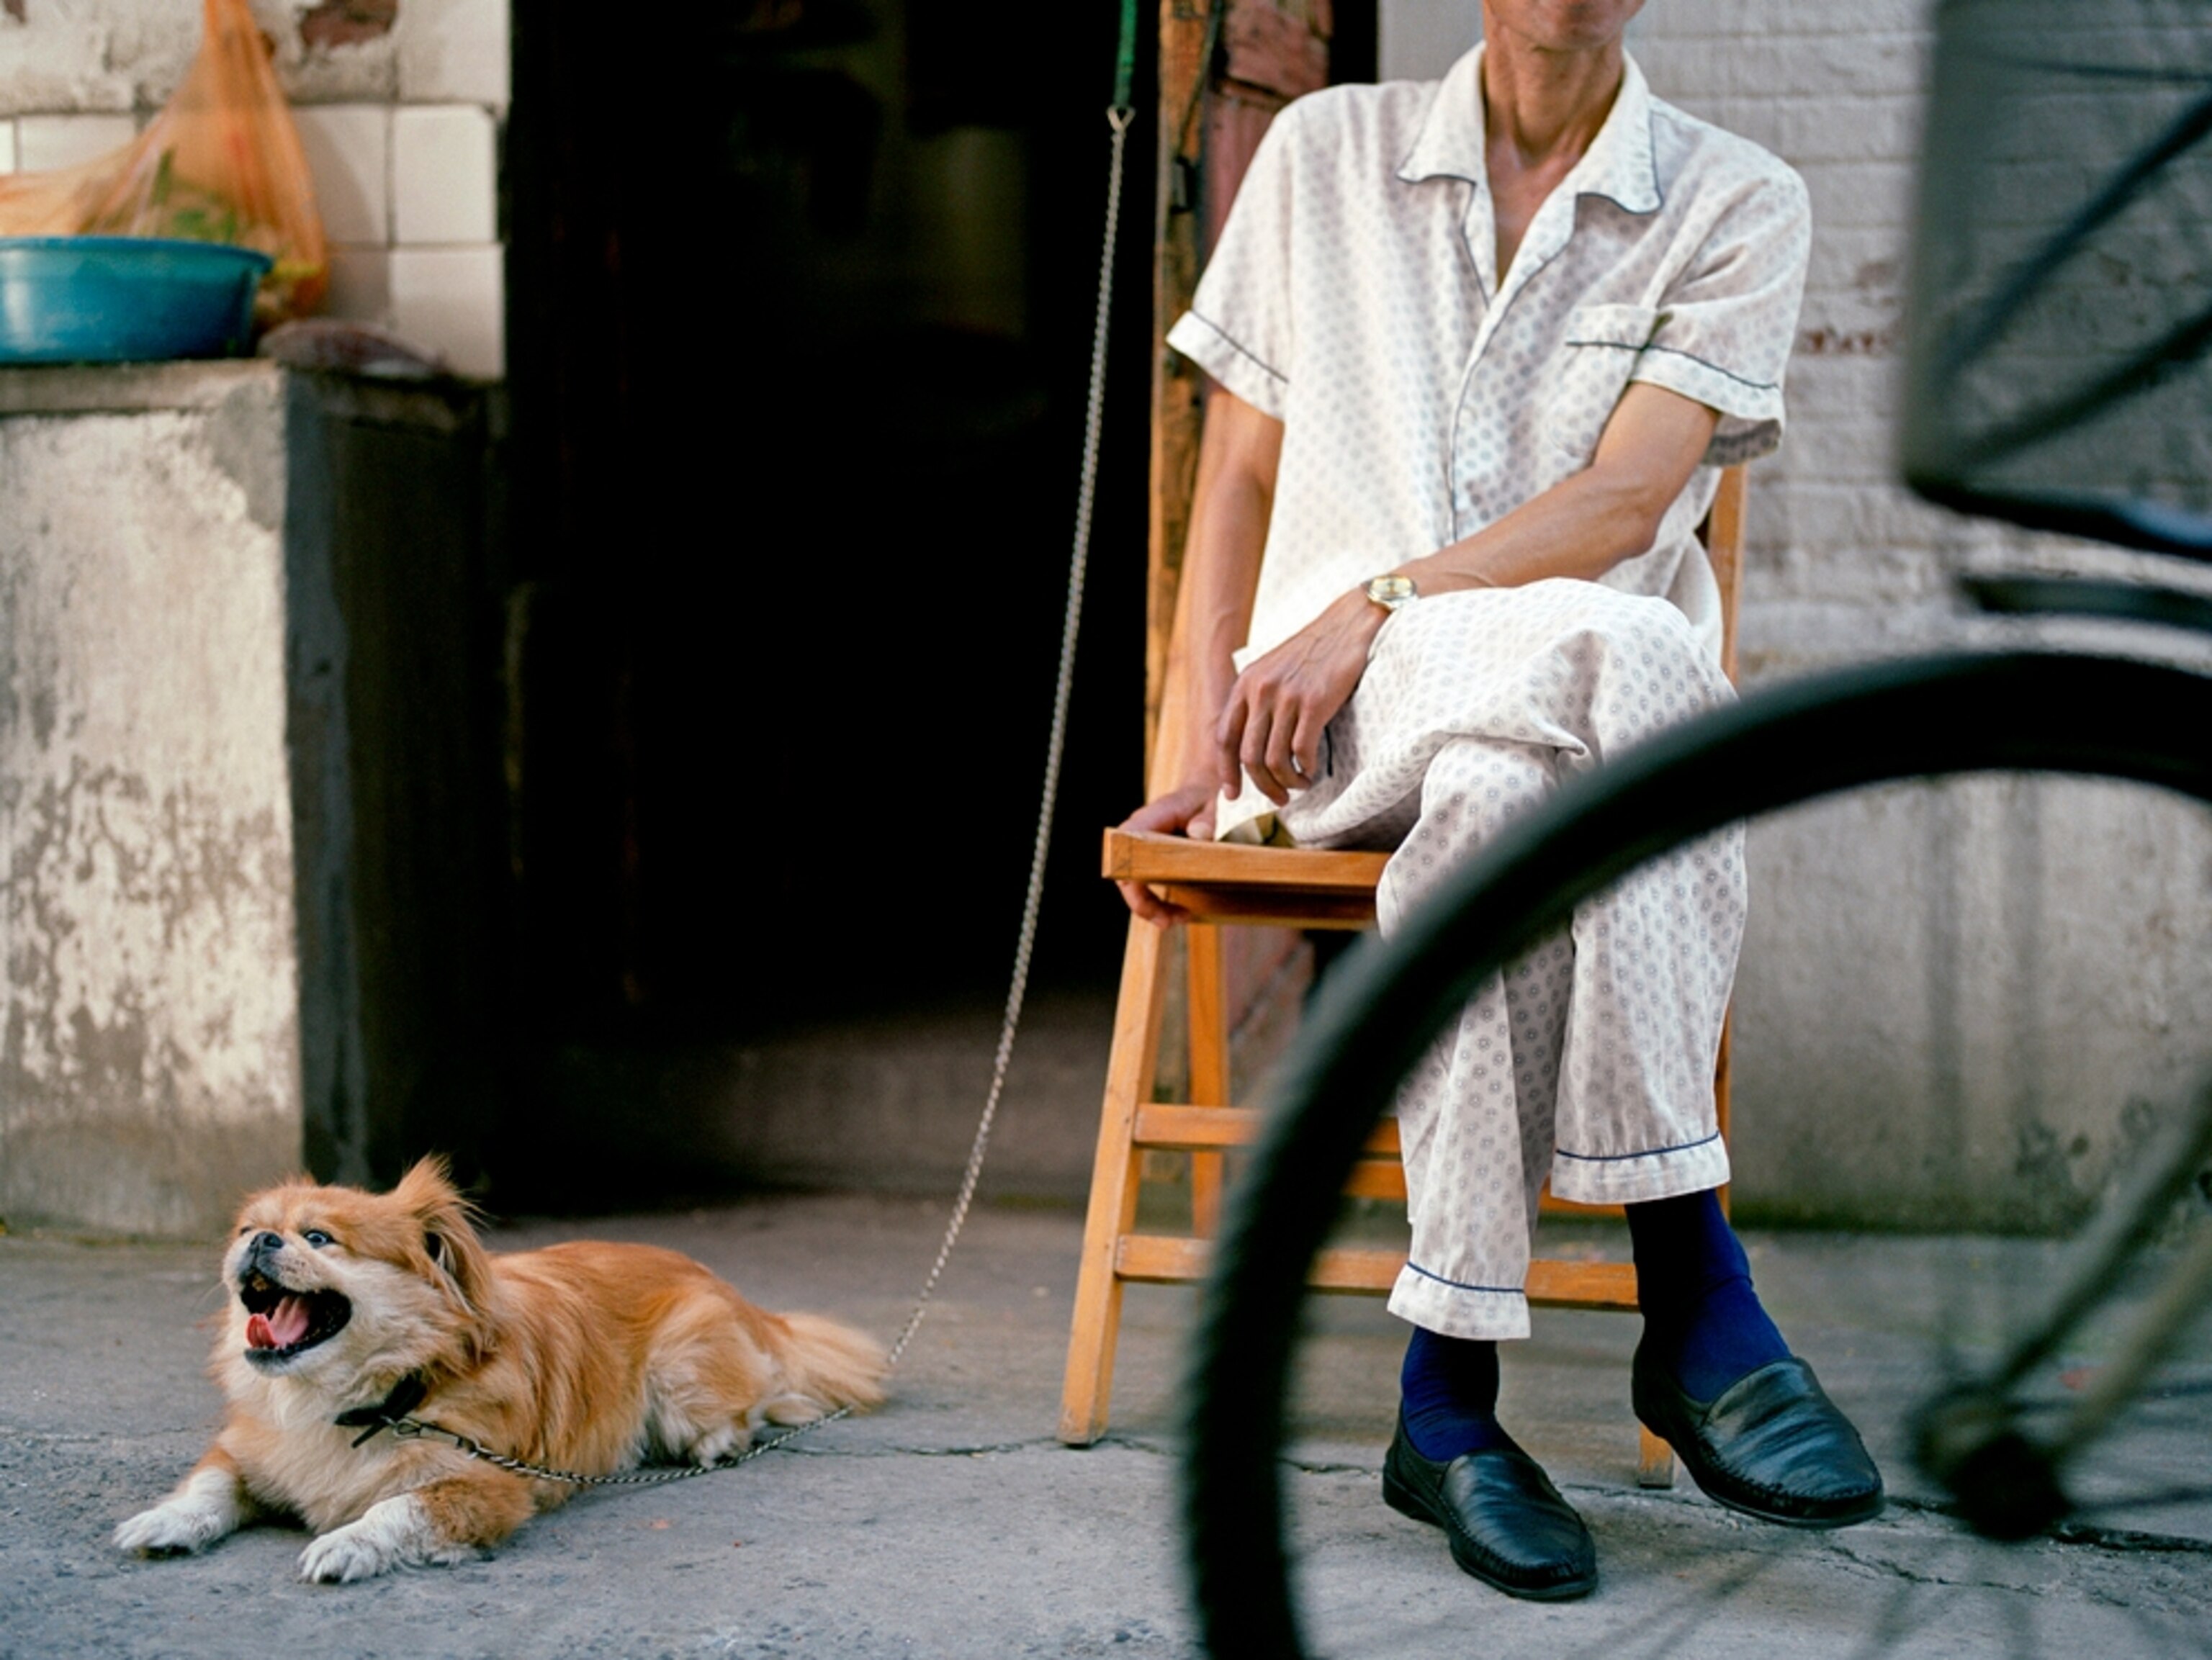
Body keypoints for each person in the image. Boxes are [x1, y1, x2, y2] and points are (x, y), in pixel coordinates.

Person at [1117, 0, 1882, 1602]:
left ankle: (1445, 1407)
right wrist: (1194, 741)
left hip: (1550, 727)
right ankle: (1694, 1276)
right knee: (1651, 658)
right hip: (1324, 724)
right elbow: (1239, 472)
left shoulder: (1737, 197)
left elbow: (1625, 499)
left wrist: (1380, 598)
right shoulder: (1327, 155)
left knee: (1498, 798)